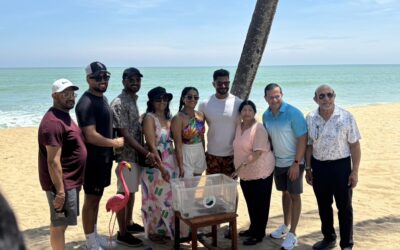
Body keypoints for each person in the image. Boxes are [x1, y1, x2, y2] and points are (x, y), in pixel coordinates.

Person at [110, 67, 162, 247]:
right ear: (123, 81)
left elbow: (133, 128)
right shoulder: (119, 102)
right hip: (126, 156)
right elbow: (124, 135)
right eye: (131, 79)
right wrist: (146, 152)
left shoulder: (132, 100)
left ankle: (129, 223)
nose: (135, 82)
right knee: (123, 193)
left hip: (134, 156)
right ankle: (122, 233)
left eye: (138, 80)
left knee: (130, 192)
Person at [75, 62, 124, 250]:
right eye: (98, 77)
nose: (103, 80)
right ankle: (90, 242)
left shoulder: (101, 98)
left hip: (103, 158)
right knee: (90, 200)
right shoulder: (86, 102)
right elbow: (90, 135)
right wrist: (115, 143)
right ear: (88, 79)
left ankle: (94, 235)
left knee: (97, 197)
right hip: (92, 160)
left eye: (106, 76)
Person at [305, 85, 361, 250]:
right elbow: (308, 145)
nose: (326, 99)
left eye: (329, 95)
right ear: (315, 99)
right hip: (319, 167)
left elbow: (355, 146)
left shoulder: (346, 117)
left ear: (334, 96)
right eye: (321, 96)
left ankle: (346, 244)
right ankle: (329, 238)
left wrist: (355, 171)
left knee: (344, 207)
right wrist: (308, 169)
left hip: (341, 166)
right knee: (323, 205)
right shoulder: (310, 118)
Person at [37, 79, 86, 250]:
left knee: (62, 223)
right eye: (65, 94)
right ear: (54, 96)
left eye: (72, 93)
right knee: (59, 225)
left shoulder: (63, 115)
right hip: (61, 183)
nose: (71, 97)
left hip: (70, 180)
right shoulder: (53, 122)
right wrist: (59, 192)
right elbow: (52, 161)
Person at [262, 83, 307, 250]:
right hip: (278, 162)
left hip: (294, 162)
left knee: (294, 195)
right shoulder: (266, 115)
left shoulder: (293, 113)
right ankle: (285, 226)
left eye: (277, 96)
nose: (274, 100)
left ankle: (293, 234)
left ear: (282, 95)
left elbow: (303, 139)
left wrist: (296, 163)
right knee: (284, 193)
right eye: (270, 97)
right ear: (265, 98)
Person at [198, 69, 242, 238]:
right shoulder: (205, 104)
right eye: (220, 83)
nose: (223, 86)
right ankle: (213, 224)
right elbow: (198, 130)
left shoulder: (238, 103)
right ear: (213, 83)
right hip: (212, 155)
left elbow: (245, 126)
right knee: (211, 191)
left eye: (226, 82)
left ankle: (231, 224)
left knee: (232, 190)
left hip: (232, 155)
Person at [141, 86, 183, 243]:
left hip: (170, 161)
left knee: (168, 197)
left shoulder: (168, 118)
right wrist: (161, 167)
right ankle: (154, 232)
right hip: (156, 165)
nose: (162, 102)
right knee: (155, 198)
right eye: (158, 99)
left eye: (165, 99)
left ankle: (166, 231)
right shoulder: (149, 118)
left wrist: (178, 164)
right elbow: (152, 146)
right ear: (151, 102)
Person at [232, 100, 275, 246]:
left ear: (254, 112)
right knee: (250, 202)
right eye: (244, 110)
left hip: (261, 171)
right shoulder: (239, 127)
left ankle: (258, 234)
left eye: (250, 110)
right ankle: (253, 228)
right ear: (240, 113)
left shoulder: (259, 129)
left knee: (260, 204)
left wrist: (239, 167)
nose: (247, 113)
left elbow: (257, 153)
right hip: (246, 173)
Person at [171, 86, 206, 177]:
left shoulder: (200, 115)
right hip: (186, 153)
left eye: (196, 97)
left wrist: (203, 153)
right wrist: (180, 165)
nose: (193, 99)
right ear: (183, 99)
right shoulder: (178, 118)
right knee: (187, 186)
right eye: (189, 97)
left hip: (199, 152)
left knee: (197, 183)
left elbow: (202, 137)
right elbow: (177, 144)